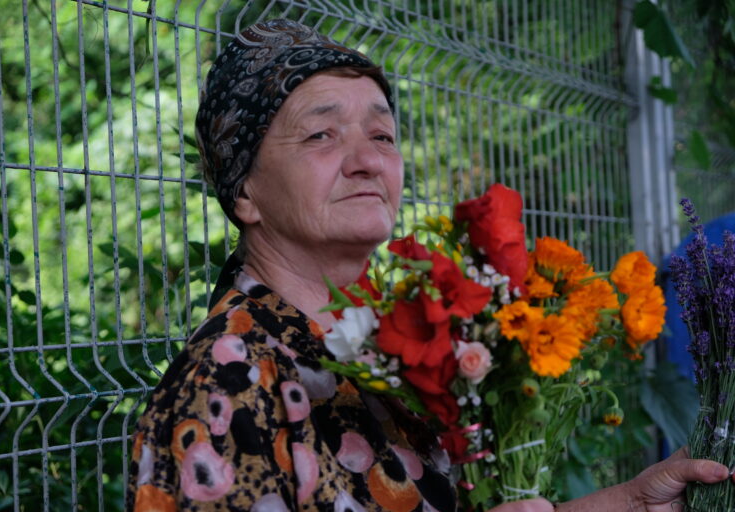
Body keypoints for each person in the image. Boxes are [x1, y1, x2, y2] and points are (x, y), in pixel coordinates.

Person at [125, 18, 732, 512]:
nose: (367, 161)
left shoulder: (382, 348)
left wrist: (630, 503)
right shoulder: (225, 387)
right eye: (321, 136)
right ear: (244, 193)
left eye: (383, 136)